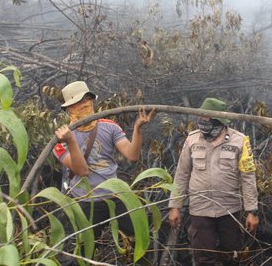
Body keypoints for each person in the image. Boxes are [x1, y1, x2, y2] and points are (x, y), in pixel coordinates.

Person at [52, 81, 156, 254]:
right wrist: (70, 141)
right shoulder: (61, 139)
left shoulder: (109, 126)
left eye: (88, 100)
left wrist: (138, 128)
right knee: (87, 251)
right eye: (78, 102)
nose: (85, 105)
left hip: (115, 196)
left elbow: (132, 155)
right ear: (69, 108)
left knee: (140, 240)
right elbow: (82, 171)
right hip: (87, 201)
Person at [168, 97, 259, 266]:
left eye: (206, 119)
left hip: (229, 210)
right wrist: (175, 206)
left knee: (232, 255)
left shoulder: (240, 140)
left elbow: (248, 177)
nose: (202, 122)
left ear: (219, 121)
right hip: (200, 209)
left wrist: (252, 211)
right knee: (203, 257)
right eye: (200, 118)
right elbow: (181, 174)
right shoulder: (193, 140)